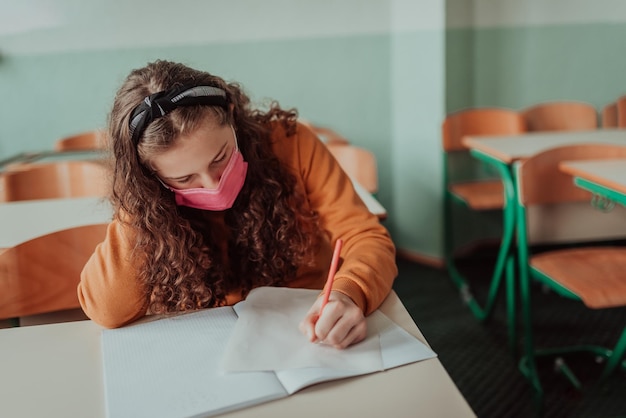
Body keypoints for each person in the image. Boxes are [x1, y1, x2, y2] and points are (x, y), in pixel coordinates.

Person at [78, 60, 397, 349]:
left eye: (220, 158)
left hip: (307, 328)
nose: (212, 184)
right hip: (206, 340)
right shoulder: (147, 195)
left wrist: (350, 291)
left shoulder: (291, 143)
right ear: (150, 176)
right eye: (185, 178)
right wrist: (140, 200)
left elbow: (366, 237)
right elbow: (108, 310)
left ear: (232, 116)